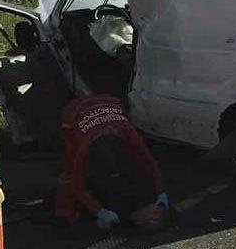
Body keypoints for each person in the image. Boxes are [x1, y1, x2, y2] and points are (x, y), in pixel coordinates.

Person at [55, 94, 170, 230]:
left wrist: (161, 192)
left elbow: (151, 165)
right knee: (68, 173)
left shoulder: (130, 136)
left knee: (133, 169)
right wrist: (98, 211)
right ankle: (64, 213)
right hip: (74, 111)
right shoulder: (82, 148)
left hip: (111, 102)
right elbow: (77, 185)